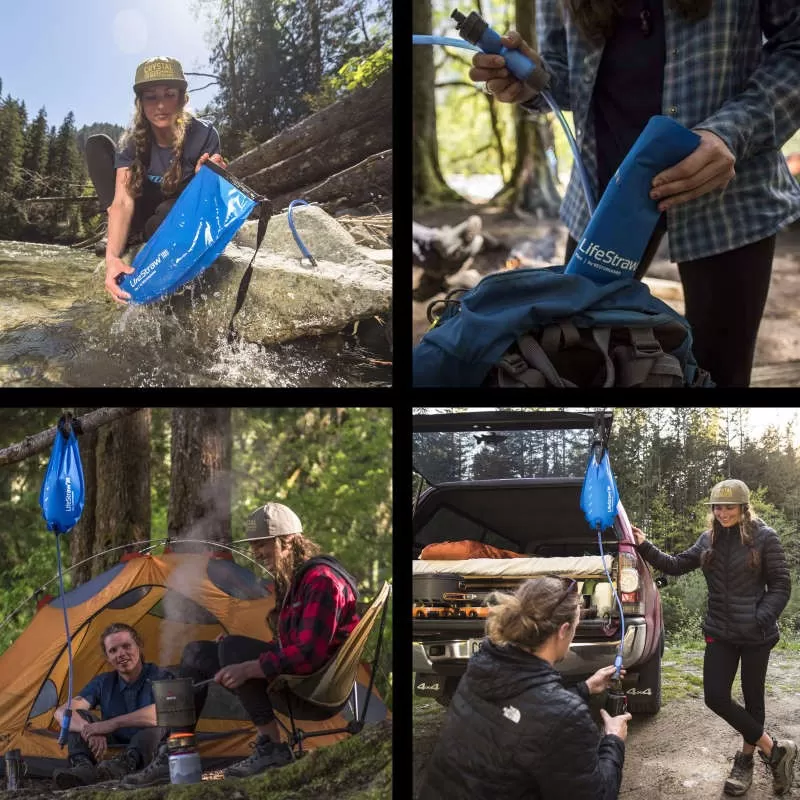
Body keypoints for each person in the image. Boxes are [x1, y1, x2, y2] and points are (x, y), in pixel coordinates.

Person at [468, 1, 800, 387]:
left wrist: (736, 130)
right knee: (576, 357)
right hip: (604, 194)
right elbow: (564, 70)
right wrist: (531, 81)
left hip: (729, 192)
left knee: (720, 375)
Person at [120, 502, 360, 787]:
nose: (256, 552)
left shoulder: (321, 581)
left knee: (233, 650)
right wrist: (241, 656)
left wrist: (249, 665)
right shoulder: (298, 580)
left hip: (316, 690)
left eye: (263, 544)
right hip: (297, 679)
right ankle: (175, 750)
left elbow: (309, 655)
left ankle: (271, 746)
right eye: (254, 545)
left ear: (290, 542)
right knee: (196, 653)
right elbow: (289, 647)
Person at [632, 479, 795, 796]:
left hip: (756, 635)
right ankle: (776, 750)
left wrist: (759, 618)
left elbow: (781, 587)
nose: (722, 513)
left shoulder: (765, 538)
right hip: (720, 631)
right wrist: (645, 545)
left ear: (744, 508)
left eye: (729, 507)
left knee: (753, 700)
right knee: (715, 696)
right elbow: (677, 564)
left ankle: (746, 761)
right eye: (717, 507)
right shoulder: (709, 539)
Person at [417, 575, 632, 800]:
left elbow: (525, 714)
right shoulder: (566, 716)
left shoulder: (480, 666)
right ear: (563, 630)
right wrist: (613, 740)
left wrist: (586, 687)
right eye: (575, 627)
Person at [84, 57, 228, 305]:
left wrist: (209, 178)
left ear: (182, 98)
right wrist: (112, 260)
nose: (161, 105)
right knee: (97, 144)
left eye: (169, 94)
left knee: (165, 215)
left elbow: (205, 207)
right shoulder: (132, 141)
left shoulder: (204, 134)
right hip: (139, 208)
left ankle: (143, 233)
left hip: (171, 212)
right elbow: (122, 202)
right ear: (140, 103)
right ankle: (123, 233)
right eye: (151, 97)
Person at [51, 623, 171, 789]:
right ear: (107, 657)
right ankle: (82, 768)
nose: (121, 654)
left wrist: (111, 723)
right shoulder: (104, 682)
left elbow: (165, 710)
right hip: (109, 746)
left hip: (149, 749)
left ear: (139, 646)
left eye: (126, 646)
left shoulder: (161, 675)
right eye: (113, 650)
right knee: (75, 716)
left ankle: (124, 766)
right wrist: (90, 729)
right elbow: (61, 712)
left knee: (158, 726)